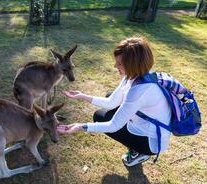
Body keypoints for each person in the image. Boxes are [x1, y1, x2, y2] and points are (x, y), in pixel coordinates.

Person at [57, 36, 172, 167]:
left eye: (119, 64)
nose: (114, 66)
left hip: (152, 141)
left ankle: (140, 152)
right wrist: (82, 96)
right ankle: (137, 143)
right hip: (150, 123)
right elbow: (111, 102)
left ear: (132, 64)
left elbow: (113, 126)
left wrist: (80, 126)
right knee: (111, 97)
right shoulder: (137, 75)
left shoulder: (140, 90)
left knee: (100, 117)